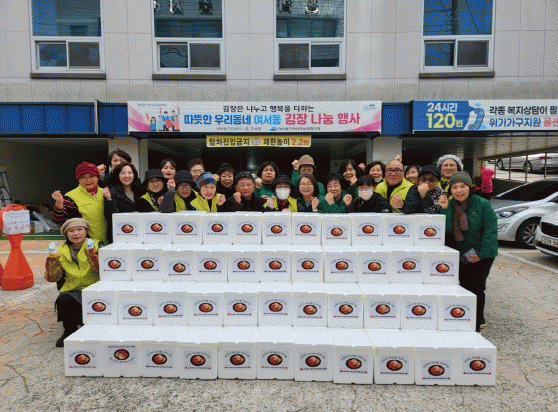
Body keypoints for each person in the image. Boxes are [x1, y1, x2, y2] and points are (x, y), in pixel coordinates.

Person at [438, 171, 498, 332]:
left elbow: (490, 230)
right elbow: (448, 229)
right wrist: (444, 209)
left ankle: (477, 321)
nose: (459, 190)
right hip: (463, 253)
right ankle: (465, 318)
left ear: (469, 187)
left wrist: (481, 254)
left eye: (463, 186)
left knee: (476, 286)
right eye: (455, 187)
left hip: (482, 252)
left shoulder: (482, 204)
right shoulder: (450, 204)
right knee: (464, 286)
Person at [44, 218, 99, 347]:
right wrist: (53, 258)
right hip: (73, 289)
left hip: (95, 288)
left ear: (86, 231)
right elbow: (53, 277)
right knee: (64, 300)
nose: (76, 233)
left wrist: (92, 253)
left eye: (80, 229)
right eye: (71, 231)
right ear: (66, 234)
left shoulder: (96, 245)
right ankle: (69, 330)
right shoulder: (60, 250)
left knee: (90, 319)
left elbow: (101, 270)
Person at [51, 162, 108, 245]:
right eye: (83, 177)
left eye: (91, 176)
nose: (88, 180)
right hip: (86, 246)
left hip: (109, 244)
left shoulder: (106, 193)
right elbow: (57, 220)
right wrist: (59, 203)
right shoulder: (70, 197)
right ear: (78, 179)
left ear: (98, 177)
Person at [102, 162, 143, 242]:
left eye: (130, 173)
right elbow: (110, 217)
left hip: (138, 234)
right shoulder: (111, 192)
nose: (127, 176)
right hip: (120, 235)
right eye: (123, 173)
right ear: (118, 176)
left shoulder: (139, 191)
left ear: (134, 175)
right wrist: (109, 199)